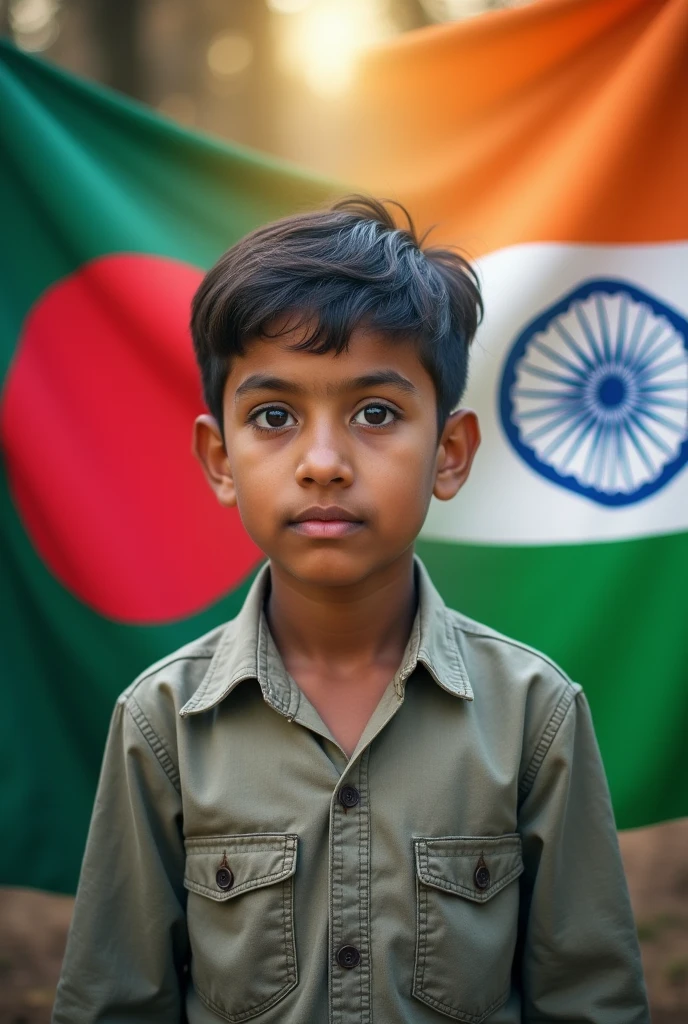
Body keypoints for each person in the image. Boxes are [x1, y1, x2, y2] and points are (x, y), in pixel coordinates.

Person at [52, 196, 649, 1023]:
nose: (324, 463)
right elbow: (114, 1002)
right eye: (274, 417)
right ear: (220, 460)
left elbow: (592, 1001)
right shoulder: (163, 723)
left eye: (375, 413)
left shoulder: (534, 715)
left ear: (449, 452)